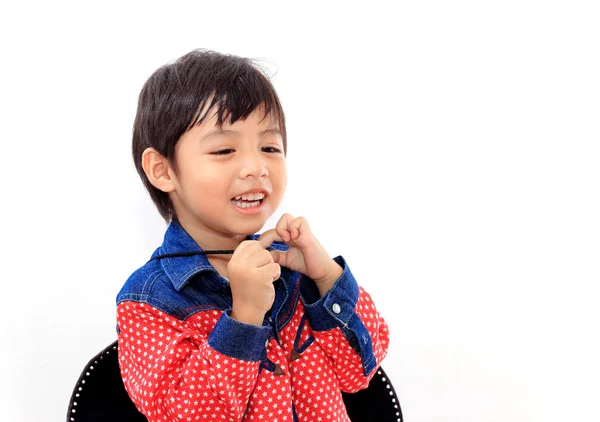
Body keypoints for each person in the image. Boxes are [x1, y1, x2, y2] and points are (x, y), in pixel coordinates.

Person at [116, 49, 390, 422]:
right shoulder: (149, 302)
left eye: (270, 148)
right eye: (225, 149)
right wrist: (244, 316)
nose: (256, 167)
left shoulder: (293, 268)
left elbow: (359, 372)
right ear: (163, 170)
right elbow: (188, 416)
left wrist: (325, 276)